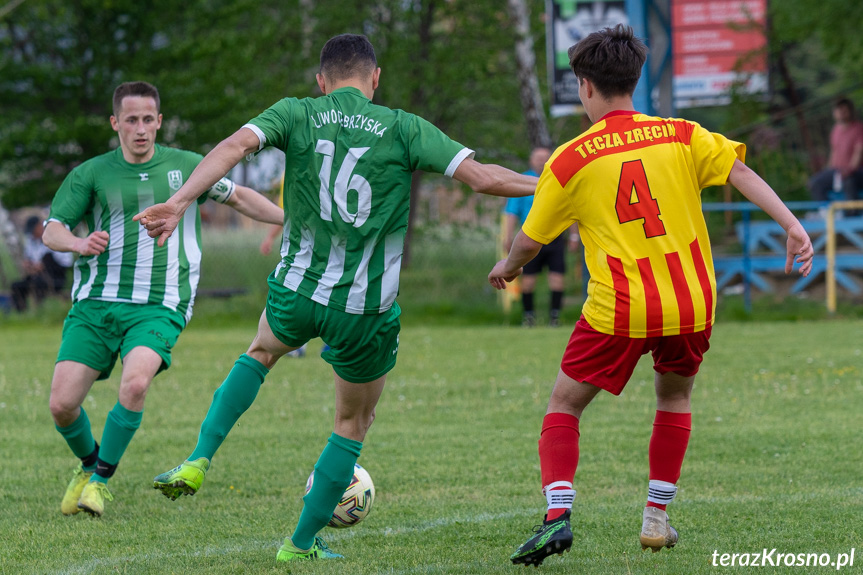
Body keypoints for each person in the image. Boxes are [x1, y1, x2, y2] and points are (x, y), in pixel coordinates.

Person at [134, 33, 536, 562]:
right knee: (351, 423)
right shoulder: (404, 127)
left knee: (259, 352)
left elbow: (234, 146)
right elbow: (484, 179)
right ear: (375, 78)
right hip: (362, 308)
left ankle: (198, 459)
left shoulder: (298, 112)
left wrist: (181, 201)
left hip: (296, 288)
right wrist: (554, 181)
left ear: (321, 81)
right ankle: (299, 544)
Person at [488, 25, 814, 567]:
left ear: (585, 86)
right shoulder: (681, 134)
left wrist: (507, 266)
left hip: (621, 307)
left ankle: (557, 517)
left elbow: (530, 240)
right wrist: (793, 224)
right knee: (674, 398)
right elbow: (739, 170)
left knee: (564, 407)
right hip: (691, 301)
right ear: (634, 80)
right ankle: (656, 520)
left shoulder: (571, 159)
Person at [43, 81, 283, 518]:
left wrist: (290, 218)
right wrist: (77, 244)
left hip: (161, 301)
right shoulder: (92, 173)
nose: (140, 129)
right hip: (96, 303)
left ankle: (99, 482)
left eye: (148, 119)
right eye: (131, 120)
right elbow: (51, 228)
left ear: (159, 121)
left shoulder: (188, 166)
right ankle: (87, 464)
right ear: (115, 123)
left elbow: (240, 198)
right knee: (61, 405)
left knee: (135, 383)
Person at [503, 147, 579, 327]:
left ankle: (555, 318)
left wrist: (574, 236)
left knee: (557, 278)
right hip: (530, 237)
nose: (541, 161)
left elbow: (572, 208)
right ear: (531, 161)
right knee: (528, 280)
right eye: (538, 158)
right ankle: (528, 317)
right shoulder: (521, 181)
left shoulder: (559, 178)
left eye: (545, 158)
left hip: (555, 238)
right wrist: (507, 236)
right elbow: (511, 212)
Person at [11, 215, 73, 311]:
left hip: (56, 275)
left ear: (40, 226)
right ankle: (21, 312)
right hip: (37, 275)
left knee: (41, 277)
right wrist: (28, 265)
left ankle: (40, 310)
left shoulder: (55, 236)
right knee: (17, 286)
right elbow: (29, 258)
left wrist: (42, 265)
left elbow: (64, 261)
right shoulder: (31, 241)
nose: (32, 234)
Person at [808, 98, 863, 205]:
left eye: (844, 110)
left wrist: (850, 170)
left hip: (856, 172)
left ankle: (852, 216)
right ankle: (828, 212)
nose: (841, 113)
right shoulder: (835, 130)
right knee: (815, 183)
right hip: (837, 171)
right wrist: (829, 171)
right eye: (838, 110)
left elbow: (859, 152)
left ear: (850, 111)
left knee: (849, 181)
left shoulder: (859, 128)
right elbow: (834, 152)